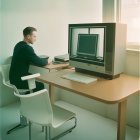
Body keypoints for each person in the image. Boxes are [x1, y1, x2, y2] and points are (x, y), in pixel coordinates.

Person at [9, 27, 52, 93]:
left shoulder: (18, 45)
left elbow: (30, 57)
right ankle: (33, 101)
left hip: (13, 78)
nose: (35, 39)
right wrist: (47, 61)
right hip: (19, 81)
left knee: (32, 77)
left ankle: (27, 97)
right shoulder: (27, 48)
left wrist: (35, 58)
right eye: (34, 36)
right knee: (40, 85)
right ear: (28, 36)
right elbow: (39, 62)